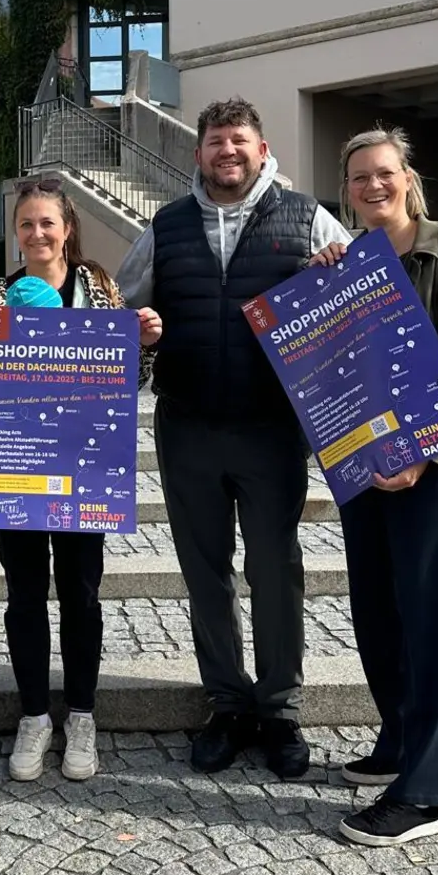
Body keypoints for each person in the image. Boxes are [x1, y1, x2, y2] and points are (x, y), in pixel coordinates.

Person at [114, 96, 351, 776]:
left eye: (239, 141)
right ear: (199, 152)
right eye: (216, 141)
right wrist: (134, 328)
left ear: (262, 147)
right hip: (187, 425)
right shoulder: (165, 225)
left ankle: (278, 708)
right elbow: (122, 308)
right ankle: (225, 702)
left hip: (271, 427)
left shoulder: (308, 218)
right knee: (206, 573)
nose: (228, 152)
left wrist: (335, 271)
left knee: (275, 571)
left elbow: (355, 294)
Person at [305, 126, 438, 846]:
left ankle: (426, 792)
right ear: (348, 192)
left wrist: (422, 453)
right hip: (366, 469)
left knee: (436, 623)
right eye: (358, 179)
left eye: (384, 173)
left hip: (433, 469)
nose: (372, 186)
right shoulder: (349, 262)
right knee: (380, 614)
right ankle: (399, 741)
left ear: (407, 178)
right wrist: (324, 281)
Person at [0, 176, 161, 782]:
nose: (36, 233)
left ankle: (83, 713)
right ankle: (34, 715)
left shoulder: (102, 293)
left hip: (85, 465)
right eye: (26, 224)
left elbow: (128, 382)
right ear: (16, 233)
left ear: (67, 227)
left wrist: (145, 343)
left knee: (81, 592)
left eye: (47, 222)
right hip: (18, 464)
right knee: (22, 595)